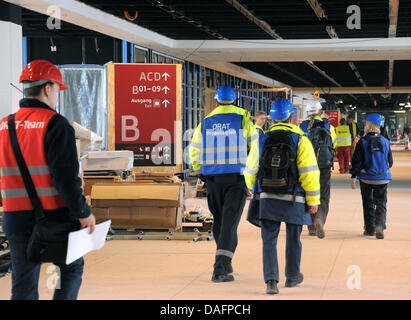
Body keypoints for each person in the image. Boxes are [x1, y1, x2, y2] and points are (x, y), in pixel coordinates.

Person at [0, 60, 96, 300]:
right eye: (57, 91)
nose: (57, 98)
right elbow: (65, 178)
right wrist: (83, 212)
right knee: (71, 268)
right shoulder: (56, 124)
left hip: (15, 218)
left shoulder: (4, 125)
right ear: (48, 88)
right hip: (54, 216)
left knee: (23, 284)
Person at [247, 98, 320, 295]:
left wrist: (253, 191)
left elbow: (251, 168)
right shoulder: (301, 140)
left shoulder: (261, 139)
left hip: (268, 196)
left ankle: (271, 281)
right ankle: (292, 276)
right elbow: (310, 173)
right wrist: (313, 200)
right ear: (292, 117)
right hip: (294, 198)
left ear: (272, 118)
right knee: (294, 238)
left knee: (269, 239)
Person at [189, 85, 259, 283]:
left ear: (217, 101)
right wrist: (250, 179)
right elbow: (254, 151)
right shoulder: (243, 120)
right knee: (229, 223)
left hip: (213, 180)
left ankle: (226, 263)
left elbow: (194, 150)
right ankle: (219, 269)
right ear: (235, 101)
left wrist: (199, 170)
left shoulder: (206, 122)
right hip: (236, 179)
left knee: (221, 221)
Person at [350, 114, 393, 239]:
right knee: (381, 202)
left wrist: (353, 176)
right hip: (383, 178)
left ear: (369, 126)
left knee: (368, 203)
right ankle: (380, 225)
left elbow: (356, 162)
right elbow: (390, 162)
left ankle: (370, 229)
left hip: (366, 178)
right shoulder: (385, 141)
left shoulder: (362, 141)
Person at [299, 101, 336, 239]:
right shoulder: (328, 126)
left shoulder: (302, 127)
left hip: (306, 166)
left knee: (308, 194)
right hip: (324, 165)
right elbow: (334, 144)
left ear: (307, 112)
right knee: (324, 196)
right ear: (320, 112)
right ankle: (319, 220)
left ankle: (311, 227)